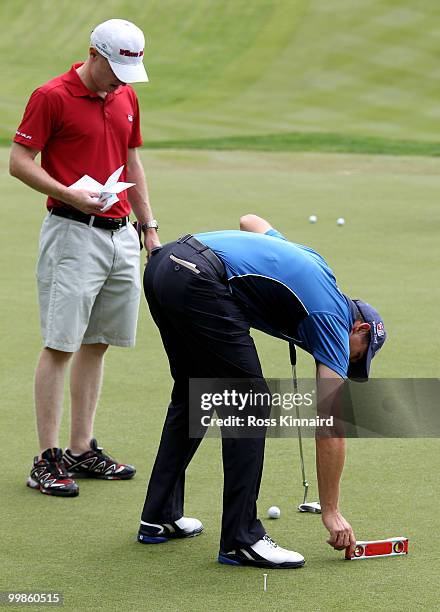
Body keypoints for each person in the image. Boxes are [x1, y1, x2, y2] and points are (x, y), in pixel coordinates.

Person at [136, 214, 386, 569]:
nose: (346, 361)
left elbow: (250, 220)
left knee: (193, 394)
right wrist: (330, 511)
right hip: (198, 280)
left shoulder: (311, 265)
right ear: (359, 327)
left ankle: (159, 514)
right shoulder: (333, 318)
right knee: (251, 403)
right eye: (356, 354)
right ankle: (242, 539)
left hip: (165, 265)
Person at [9, 19, 161, 497]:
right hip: (72, 233)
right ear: (92, 54)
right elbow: (18, 162)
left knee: (98, 341)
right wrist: (69, 195)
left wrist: (149, 226)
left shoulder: (126, 96)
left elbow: (132, 161)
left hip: (120, 235)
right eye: (114, 69)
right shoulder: (51, 96)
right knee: (61, 343)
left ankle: (80, 447)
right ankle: (46, 458)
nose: (119, 80)